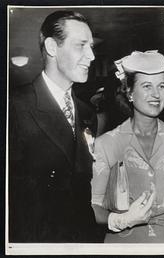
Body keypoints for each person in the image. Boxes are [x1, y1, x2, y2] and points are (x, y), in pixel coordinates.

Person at [9, 10, 101, 242]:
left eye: (91, 46)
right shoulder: (16, 107)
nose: (91, 55)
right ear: (52, 47)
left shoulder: (88, 113)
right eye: (81, 45)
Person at [91, 50, 164, 243]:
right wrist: (121, 219)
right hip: (123, 246)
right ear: (130, 92)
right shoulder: (107, 143)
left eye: (161, 86)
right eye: (147, 86)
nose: (156, 94)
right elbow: (94, 207)